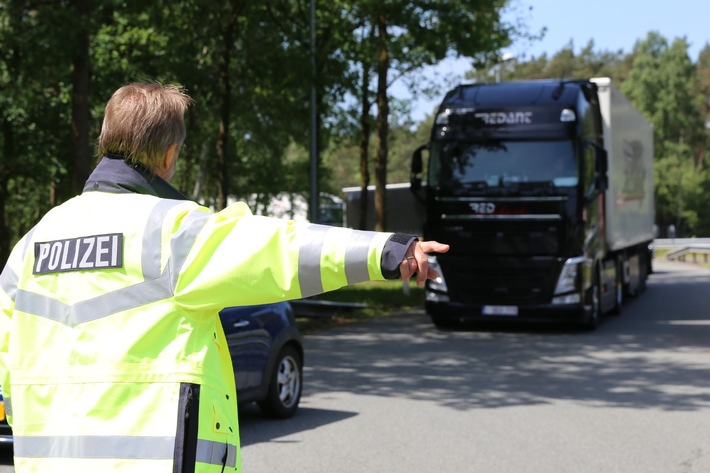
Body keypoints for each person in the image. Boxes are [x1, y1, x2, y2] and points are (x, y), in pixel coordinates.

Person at [0, 82, 449, 472]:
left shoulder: (32, 244)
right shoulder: (171, 231)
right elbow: (280, 250)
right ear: (170, 154)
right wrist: (385, 251)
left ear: (104, 140)